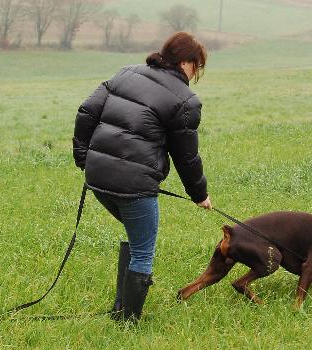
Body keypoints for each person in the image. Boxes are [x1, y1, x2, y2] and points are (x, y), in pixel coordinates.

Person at [72, 32, 211, 323]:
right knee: (143, 252)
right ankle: (127, 323)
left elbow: (86, 111)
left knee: (137, 240)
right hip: (133, 187)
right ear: (186, 62)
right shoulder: (185, 100)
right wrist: (200, 196)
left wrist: (85, 159)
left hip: (97, 179)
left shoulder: (126, 73)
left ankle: (121, 309)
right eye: (196, 66)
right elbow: (186, 157)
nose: (196, 73)